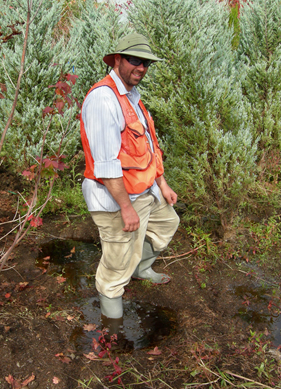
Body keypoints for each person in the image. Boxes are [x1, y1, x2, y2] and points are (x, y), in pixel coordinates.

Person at [80, 33, 179, 320]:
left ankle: (141, 268)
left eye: (146, 62)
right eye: (135, 60)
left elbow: (147, 146)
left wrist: (162, 182)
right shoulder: (103, 99)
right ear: (118, 59)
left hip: (145, 190)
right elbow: (106, 165)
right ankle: (114, 330)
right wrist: (125, 208)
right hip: (117, 199)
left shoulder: (132, 97)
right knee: (117, 263)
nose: (142, 67)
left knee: (167, 223)